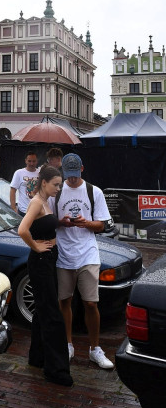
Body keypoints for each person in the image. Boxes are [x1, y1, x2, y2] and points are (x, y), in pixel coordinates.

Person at [52, 153, 114, 369]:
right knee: (65, 301)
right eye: (68, 176)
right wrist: (62, 222)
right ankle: (68, 344)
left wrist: (87, 223)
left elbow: (103, 225)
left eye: (75, 175)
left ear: (82, 169)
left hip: (87, 253)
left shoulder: (93, 191)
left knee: (90, 302)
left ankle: (95, 349)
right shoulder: (57, 192)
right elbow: (50, 221)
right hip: (63, 254)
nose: (72, 180)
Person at [18, 166, 73, 386]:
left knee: (42, 312)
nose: (58, 189)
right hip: (40, 262)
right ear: (44, 183)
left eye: (59, 185)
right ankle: (56, 370)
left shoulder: (46, 202)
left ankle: (37, 358)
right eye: (56, 184)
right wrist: (36, 247)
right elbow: (23, 229)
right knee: (52, 314)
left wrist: (59, 224)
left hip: (48, 261)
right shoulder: (36, 202)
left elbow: (44, 227)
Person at [10, 151, 40, 216]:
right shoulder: (19, 173)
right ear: (25, 161)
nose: (31, 163)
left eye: (34, 161)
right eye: (29, 161)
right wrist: (14, 208)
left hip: (38, 211)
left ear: (37, 161)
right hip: (24, 211)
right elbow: (12, 191)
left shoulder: (40, 173)